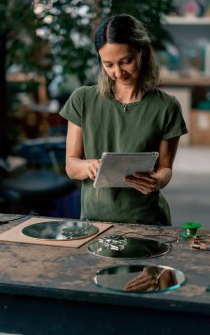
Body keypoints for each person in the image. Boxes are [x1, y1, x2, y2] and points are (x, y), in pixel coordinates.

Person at [59, 14, 188, 225]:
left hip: (147, 221)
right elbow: (71, 166)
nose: (118, 72)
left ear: (143, 51)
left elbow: (165, 168)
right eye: (108, 65)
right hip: (95, 222)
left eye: (126, 61)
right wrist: (89, 166)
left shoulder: (166, 106)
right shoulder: (82, 99)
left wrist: (156, 181)